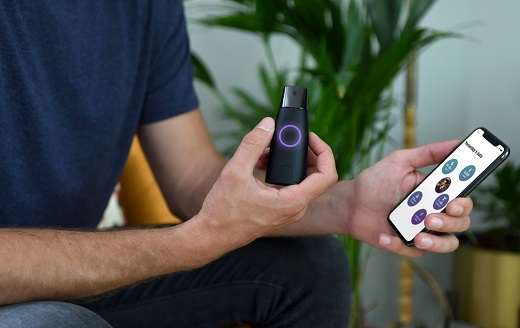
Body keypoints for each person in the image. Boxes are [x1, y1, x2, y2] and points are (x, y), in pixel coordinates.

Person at [0, 1, 473, 327]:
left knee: (312, 267)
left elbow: (190, 177)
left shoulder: (146, 8)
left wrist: (349, 204)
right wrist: (193, 243)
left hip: (84, 275)